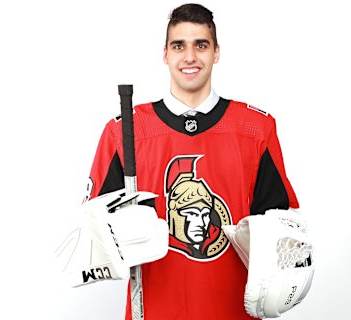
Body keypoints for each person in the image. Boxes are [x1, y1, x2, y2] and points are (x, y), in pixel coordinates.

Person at [85, 3, 302, 319]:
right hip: (156, 311)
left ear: (216, 52)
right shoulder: (124, 132)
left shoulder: (256, 128)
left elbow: (283, 235)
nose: (189, 57)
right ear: (165, 54)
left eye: (200, 45)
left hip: (233, 311)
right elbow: (93, 241)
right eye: (179, 46)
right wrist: (120, 235)